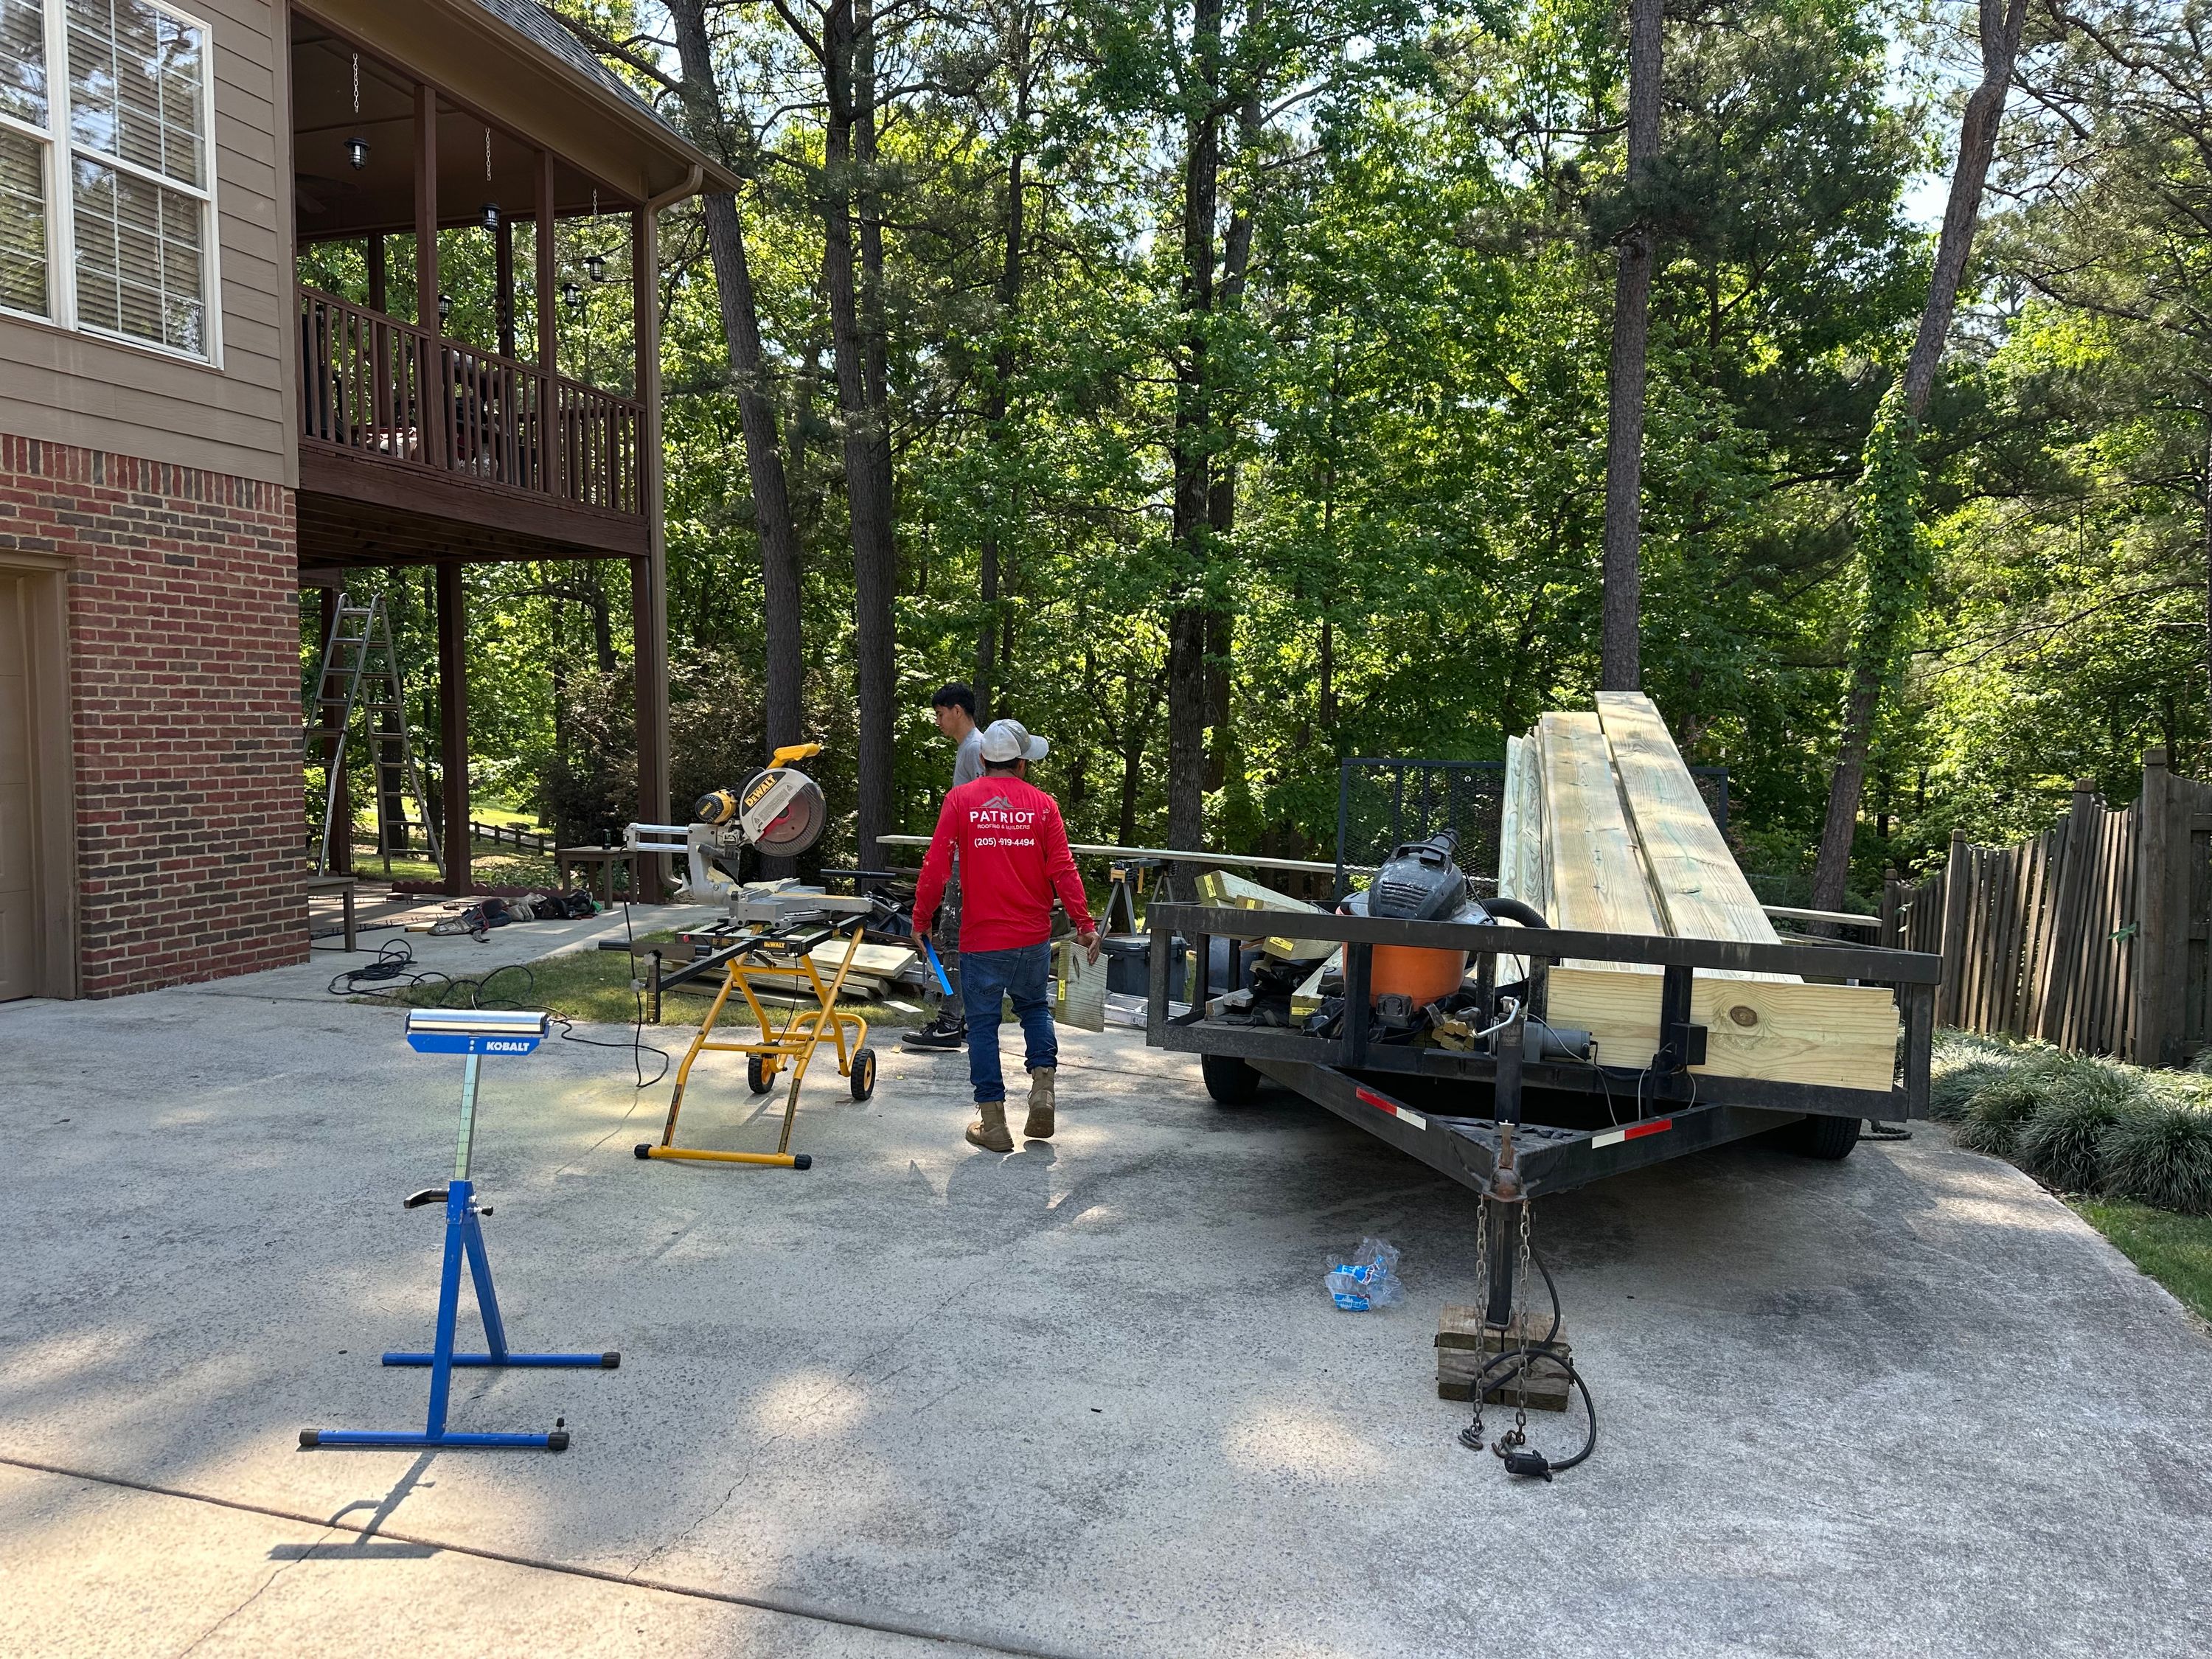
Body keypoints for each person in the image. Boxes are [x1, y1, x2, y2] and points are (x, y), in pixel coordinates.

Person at [911, 719, 1100, 1152]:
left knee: (982, 1025)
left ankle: (993, 1124)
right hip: (1032, 938)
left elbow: (936, 866)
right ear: (1021, 763)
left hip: (981, 940)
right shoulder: (1044, 805)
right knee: (1034, 1009)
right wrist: (1085, 925)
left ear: (982, 758)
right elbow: (1063, 869)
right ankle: (1043, 1090)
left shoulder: (960, 800)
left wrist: (921, 919)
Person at [906, 683, 985, 1051]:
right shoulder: (971, 749)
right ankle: (963, 1019)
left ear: (957, 710)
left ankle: (951, 1023)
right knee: (960, 940)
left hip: (967, 864)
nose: (937, 721)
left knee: (953, 939)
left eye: (940, 714)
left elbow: (984, 811)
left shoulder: (975, 749)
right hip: (967, 861)